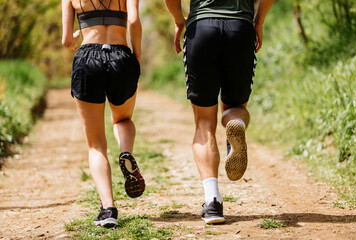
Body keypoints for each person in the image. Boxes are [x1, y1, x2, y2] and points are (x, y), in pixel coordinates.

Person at [164, 0, 274, 224]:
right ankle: (237, 125)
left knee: (204, 122)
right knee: (235, 107)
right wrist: (258, 21)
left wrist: (178, 20)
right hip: (240, 28)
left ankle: (213, 201)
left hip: (201, 28)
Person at [62, 0, 144, 228]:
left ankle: (108, 209)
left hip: (87, 59)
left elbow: (67, 41)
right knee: (123, 119)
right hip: (121, 56)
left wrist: (78, 37)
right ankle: (126, 152)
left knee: (96, 145)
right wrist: (136, 56)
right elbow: (134, 20)